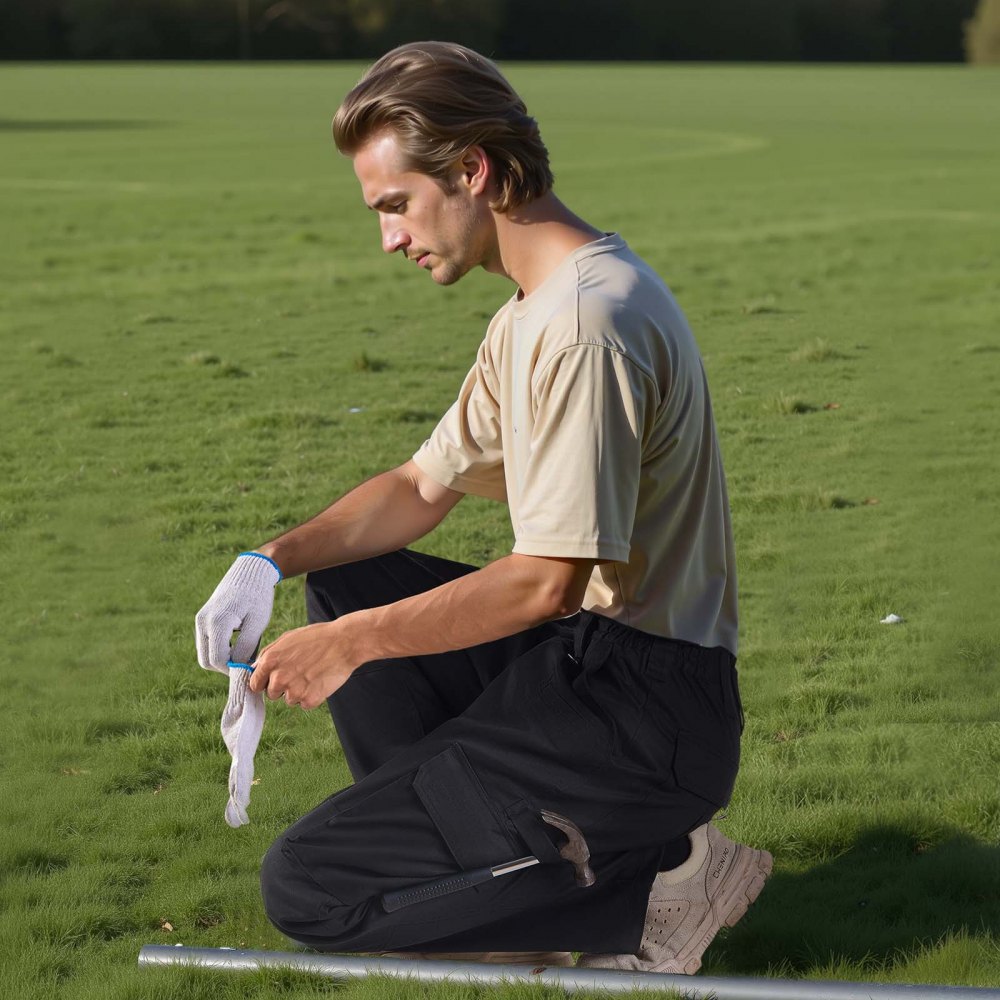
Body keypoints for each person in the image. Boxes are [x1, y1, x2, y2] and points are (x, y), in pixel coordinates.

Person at [195, 41, 771, 974]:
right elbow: (423, 487)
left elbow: (546, 582)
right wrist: (268, 559)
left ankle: (655, 888)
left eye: (395, 206)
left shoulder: (588, 326)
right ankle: (513, 859)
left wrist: (352, 644)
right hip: (592, 665)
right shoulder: (535, 313)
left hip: (646, 712)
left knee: (307, 888)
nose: (388, 237)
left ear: (472, 170)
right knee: (349, 577)